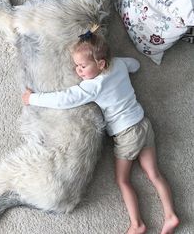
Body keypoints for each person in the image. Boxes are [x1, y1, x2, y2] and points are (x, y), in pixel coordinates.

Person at [22, 25, 179, 234]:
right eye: (76, 66)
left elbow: (65, 98)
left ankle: (137, 225)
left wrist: (32, 98)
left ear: (100, 64)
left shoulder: (93, 86)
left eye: (82, 66)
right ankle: (171, 216)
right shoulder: (118, 65)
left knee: (123, 180)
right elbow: (135, 65)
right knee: (154, 174)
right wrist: (125, 67)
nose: (78, 70)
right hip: (143, 124)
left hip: (126, 135)